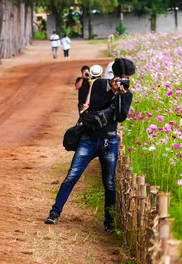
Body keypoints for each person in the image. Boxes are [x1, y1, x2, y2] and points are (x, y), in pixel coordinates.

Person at [45, 58, 136, 232]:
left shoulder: (127, 94)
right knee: (71, 176)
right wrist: (112, 92)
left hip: (110, 141)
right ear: (114, 76)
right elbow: (94, 105)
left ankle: (109, 223)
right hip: (89, 139)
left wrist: (121, 96)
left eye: (127, 78)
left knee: (109, 183)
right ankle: (54, 213)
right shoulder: (99, 84)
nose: (125, 81)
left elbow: (121, 117)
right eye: (122, 77)